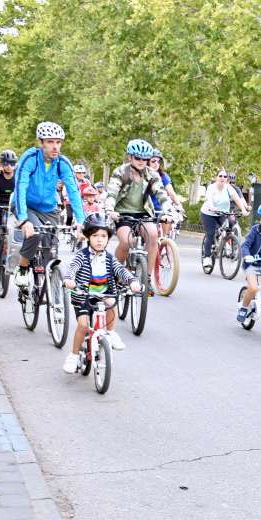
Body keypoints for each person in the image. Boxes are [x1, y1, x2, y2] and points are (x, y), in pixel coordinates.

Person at [61, 215, 140, 372]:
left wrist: (132, 281)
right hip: (83, 295)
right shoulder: (81, 256)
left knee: (111, 304)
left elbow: (121, 270)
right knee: (83, 325)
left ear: (108, 238)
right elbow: (72, 268)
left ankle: (110, 333)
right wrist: (69, 279)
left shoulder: (109, 258)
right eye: (95, 236)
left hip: (103, 295)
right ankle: (74, 355)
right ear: (88, 237)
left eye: (103, 236)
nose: (99, 240)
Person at [11, 121, 84, 288]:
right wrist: (23, 220)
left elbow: (73, 191)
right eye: (50, 142)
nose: (55, 147)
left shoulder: (63, 163)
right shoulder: (30, 158)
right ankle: (22, 269)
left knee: (51, 243)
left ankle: (47, 281)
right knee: (34, 234)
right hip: (25, 206)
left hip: (49, 208)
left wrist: (81, 221)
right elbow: (20, 187)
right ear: (41, 143)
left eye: (58, 142)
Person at [105, 138, 167, 298]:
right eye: (138, 158)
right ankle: (117, 275)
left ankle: (145, 277)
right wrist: (110, 209)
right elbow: (112, 192)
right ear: (130, 157)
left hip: (143, 213)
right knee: (127, 241)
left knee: (153, 235)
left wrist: (168, 211)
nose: (141, 162)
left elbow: (161, 193)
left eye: (145, 159)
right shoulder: (121, 172)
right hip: (122, 214)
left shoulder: (151, 174)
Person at [199, 169, 250, 269]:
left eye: (225, 176)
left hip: (222, 213)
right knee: (210, 234)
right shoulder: (211, 188)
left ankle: (227, 245)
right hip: (209, 213)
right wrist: (212, 207)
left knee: (228, 228)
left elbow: (237, 199)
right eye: (220, 176)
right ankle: (207, 257)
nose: (223, 178)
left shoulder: (228, 188)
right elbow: (208, 199)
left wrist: (243, 210)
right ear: (216, 178)